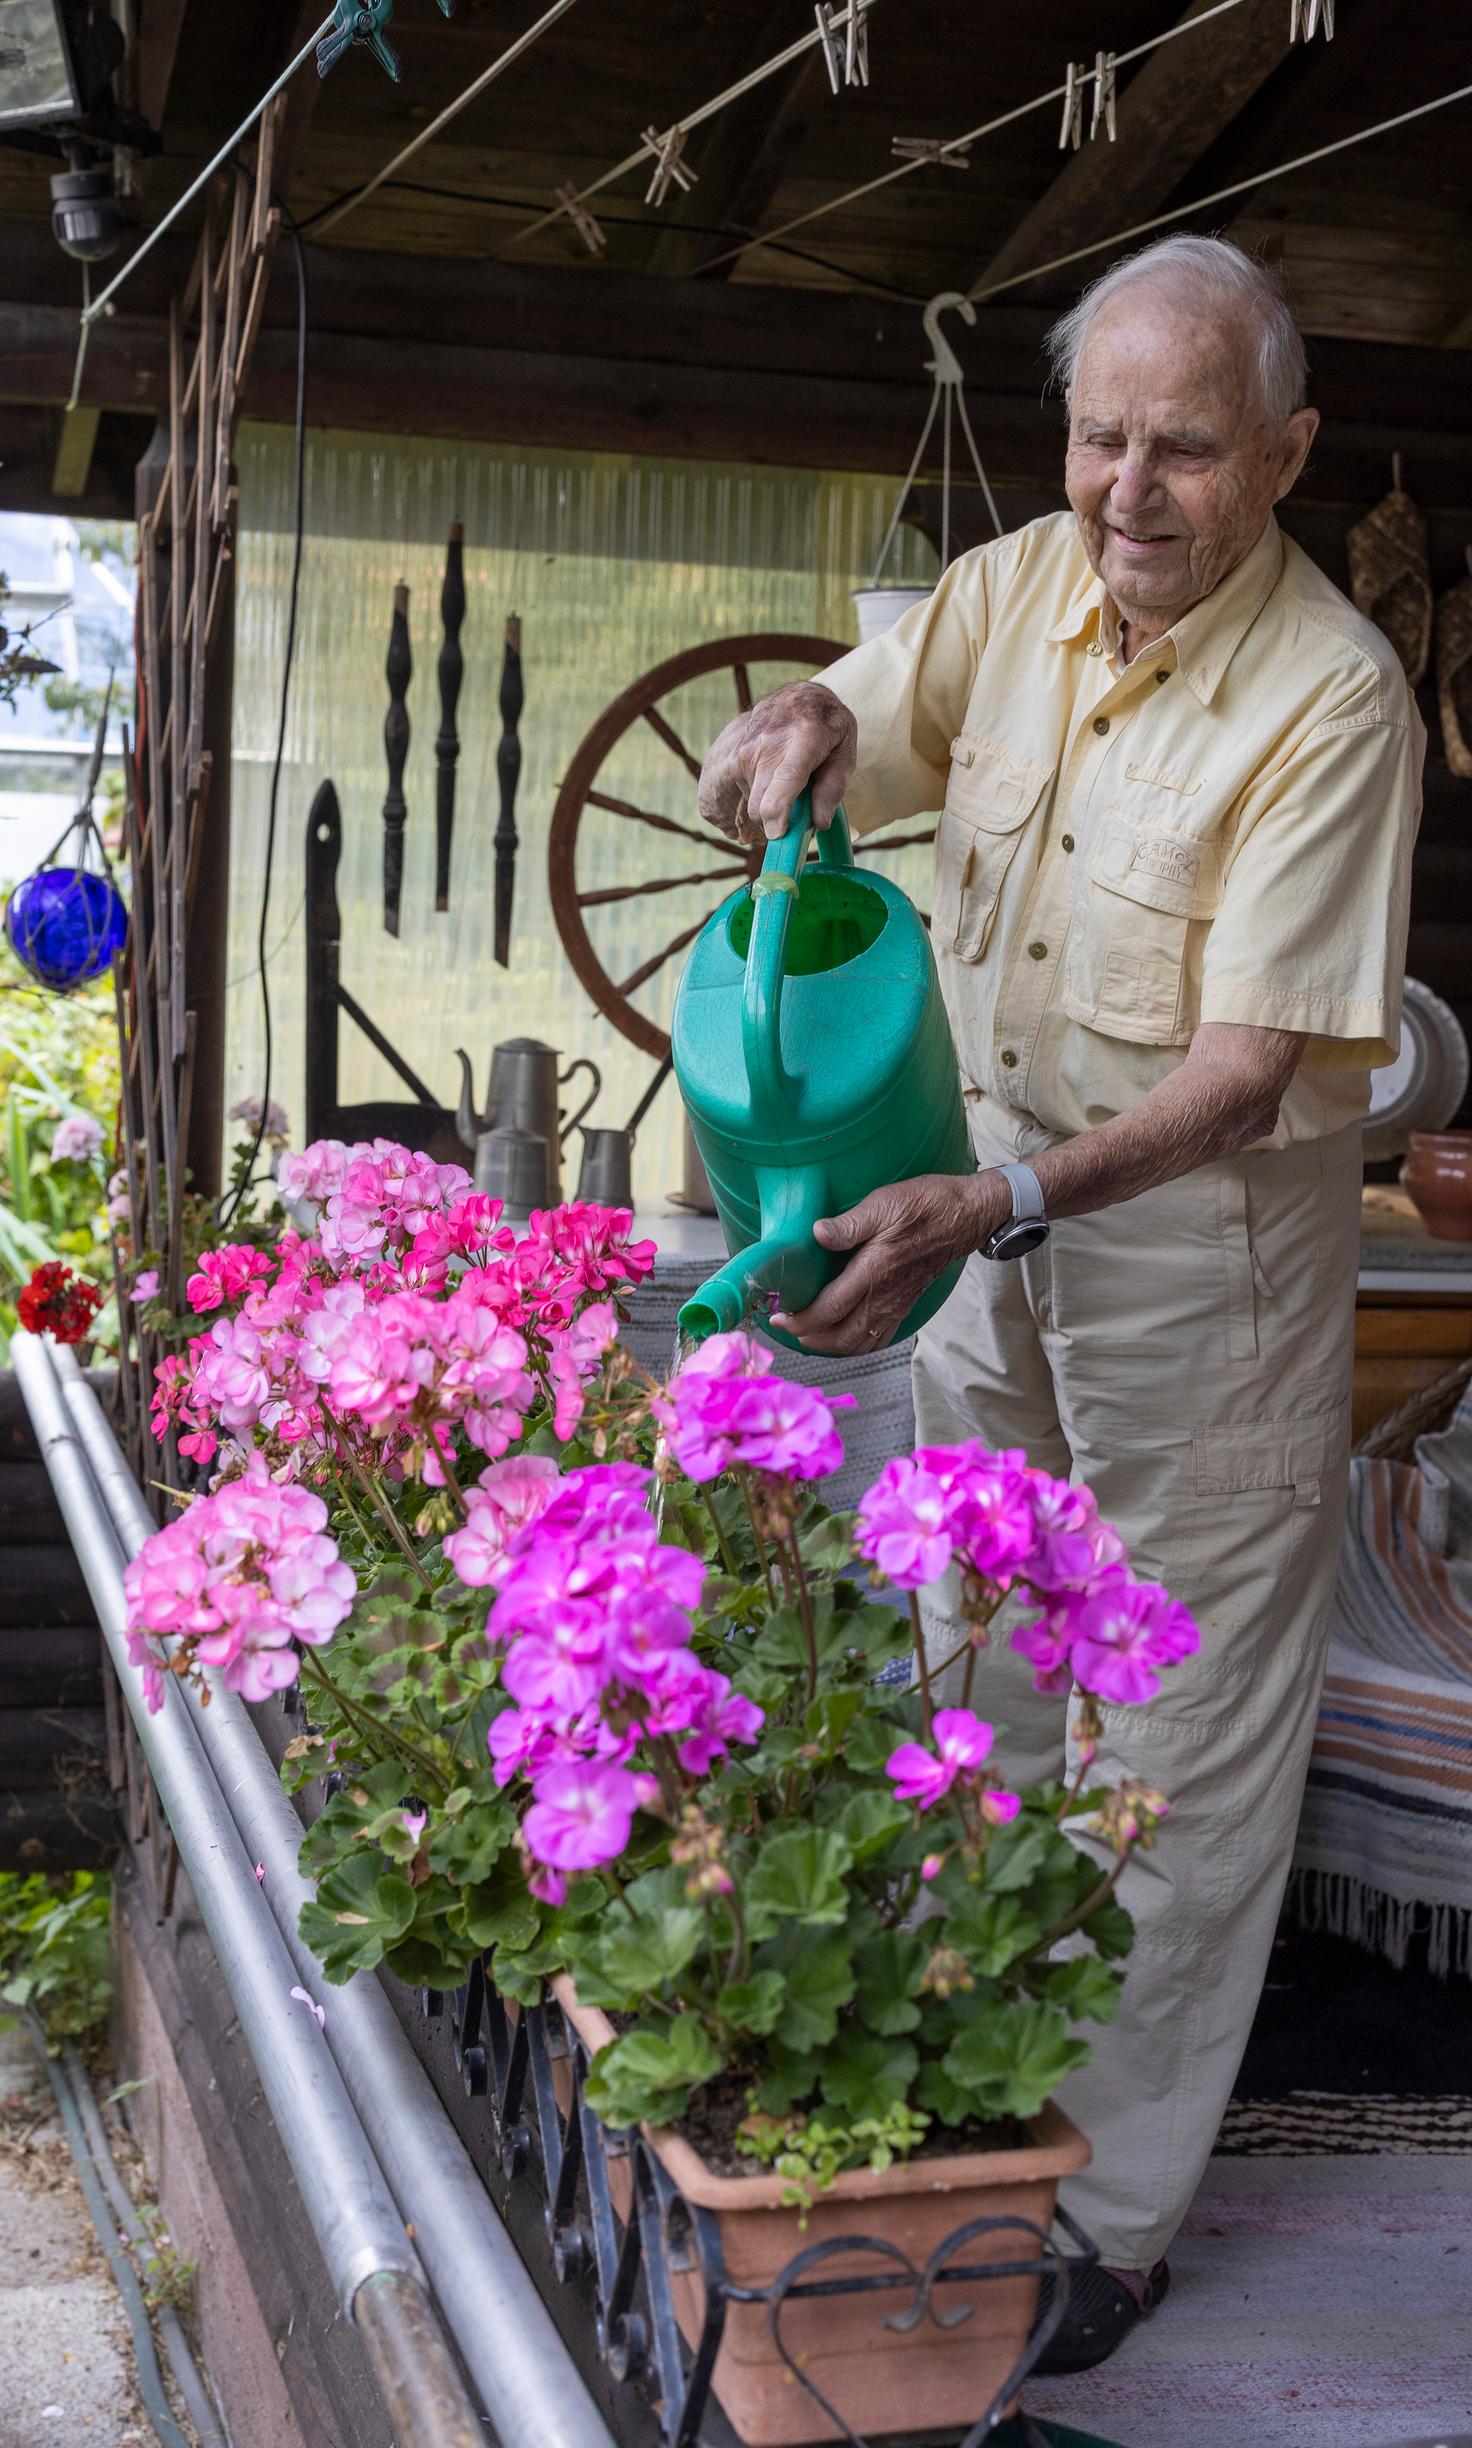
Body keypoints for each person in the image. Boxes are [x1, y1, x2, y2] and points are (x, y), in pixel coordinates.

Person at [696, 234, 1424, 2373]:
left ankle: (1103, 2219)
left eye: (1184, 447)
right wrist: (807, 719)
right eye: (1100, 435)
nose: (1127, 487)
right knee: (979, 1678)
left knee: (1172, 1746)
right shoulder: (1018, 585)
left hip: (1193, 1269)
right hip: (979, 1249)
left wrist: (999, 1196)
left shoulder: (1332, 698)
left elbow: (1245, 1077)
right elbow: (868, 721)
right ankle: (957, 2098)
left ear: (1286, 453)